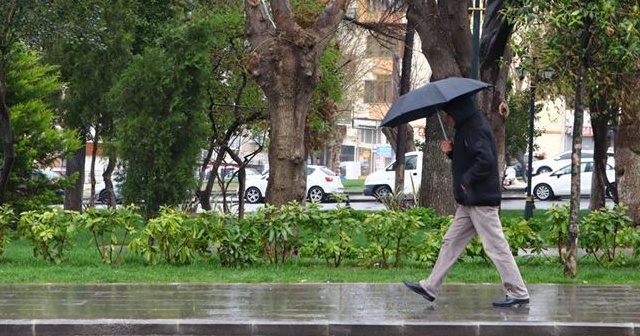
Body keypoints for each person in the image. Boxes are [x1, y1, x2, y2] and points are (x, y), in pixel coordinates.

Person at [402, 96, 530, 307]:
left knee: (496, 247)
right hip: (469, 201)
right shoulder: (468, 127)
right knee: (450, 242)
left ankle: (518, 292)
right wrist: (453, 152)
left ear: (458, 111)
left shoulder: (475, 128)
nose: (447, 118)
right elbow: (471, 156)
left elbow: (486, 160)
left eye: (448, 113)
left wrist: (466, 180)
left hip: (480, 200)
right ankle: (430, 286)